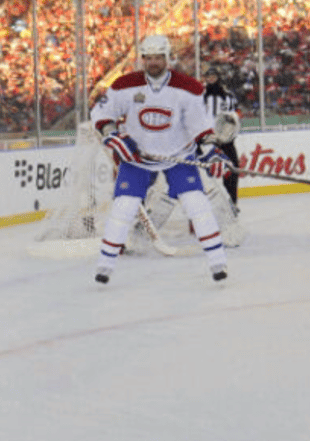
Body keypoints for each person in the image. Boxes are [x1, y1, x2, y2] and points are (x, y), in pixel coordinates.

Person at [91, 35, 232, 284]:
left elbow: (200, 126)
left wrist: (210, 149)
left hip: (178, 154)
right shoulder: (125, 85)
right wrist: (111, 135)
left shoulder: (188, 88)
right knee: (123, 207)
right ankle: (105, 265)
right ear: (142, 59)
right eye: (149, 58)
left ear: (168, 58)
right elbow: (102, 113)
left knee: (196, 203)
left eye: (159, 57)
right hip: (138, 156)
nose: (153, 62)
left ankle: (217, 262)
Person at [200, 66, 241, 211]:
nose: (211, 79)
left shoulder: (228, 96)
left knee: (232, 168)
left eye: (214, 76)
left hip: (225, 139)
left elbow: (234, 116)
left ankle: (232, 202)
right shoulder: (200, 95)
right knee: (202, 174)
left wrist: (229, 133)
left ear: (218, 77)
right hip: (206, 140)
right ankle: (201, 206)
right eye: (208, 76)